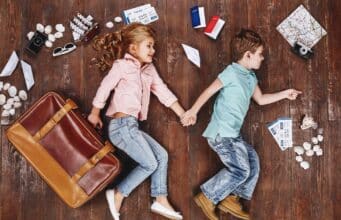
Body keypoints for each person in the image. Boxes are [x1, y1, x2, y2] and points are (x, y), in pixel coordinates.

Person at [181, 29, 302, 220]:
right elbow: (208, 91)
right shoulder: (231, 72)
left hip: (233, 136)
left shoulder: (251, 78)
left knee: (253, 162)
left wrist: (285, 94)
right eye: (260, 54)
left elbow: (260, 99)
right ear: (248, 55)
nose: (262, 58)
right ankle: (207, 196)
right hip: (221, 134)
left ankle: (232, 198)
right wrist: (193, 111)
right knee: (241, 170)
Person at [88, 23, 184, 220]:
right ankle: (118, 194)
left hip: (132, 127)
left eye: (153, 46)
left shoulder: (149, 71)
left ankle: (160, 198)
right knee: (149, 164)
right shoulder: (121, 66)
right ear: (133, 48)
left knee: (162, 156)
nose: (153, 50)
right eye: (148, 45)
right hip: (121, 127)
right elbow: (105, 88)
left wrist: (182, 113)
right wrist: (95, 113)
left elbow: (162, 91)